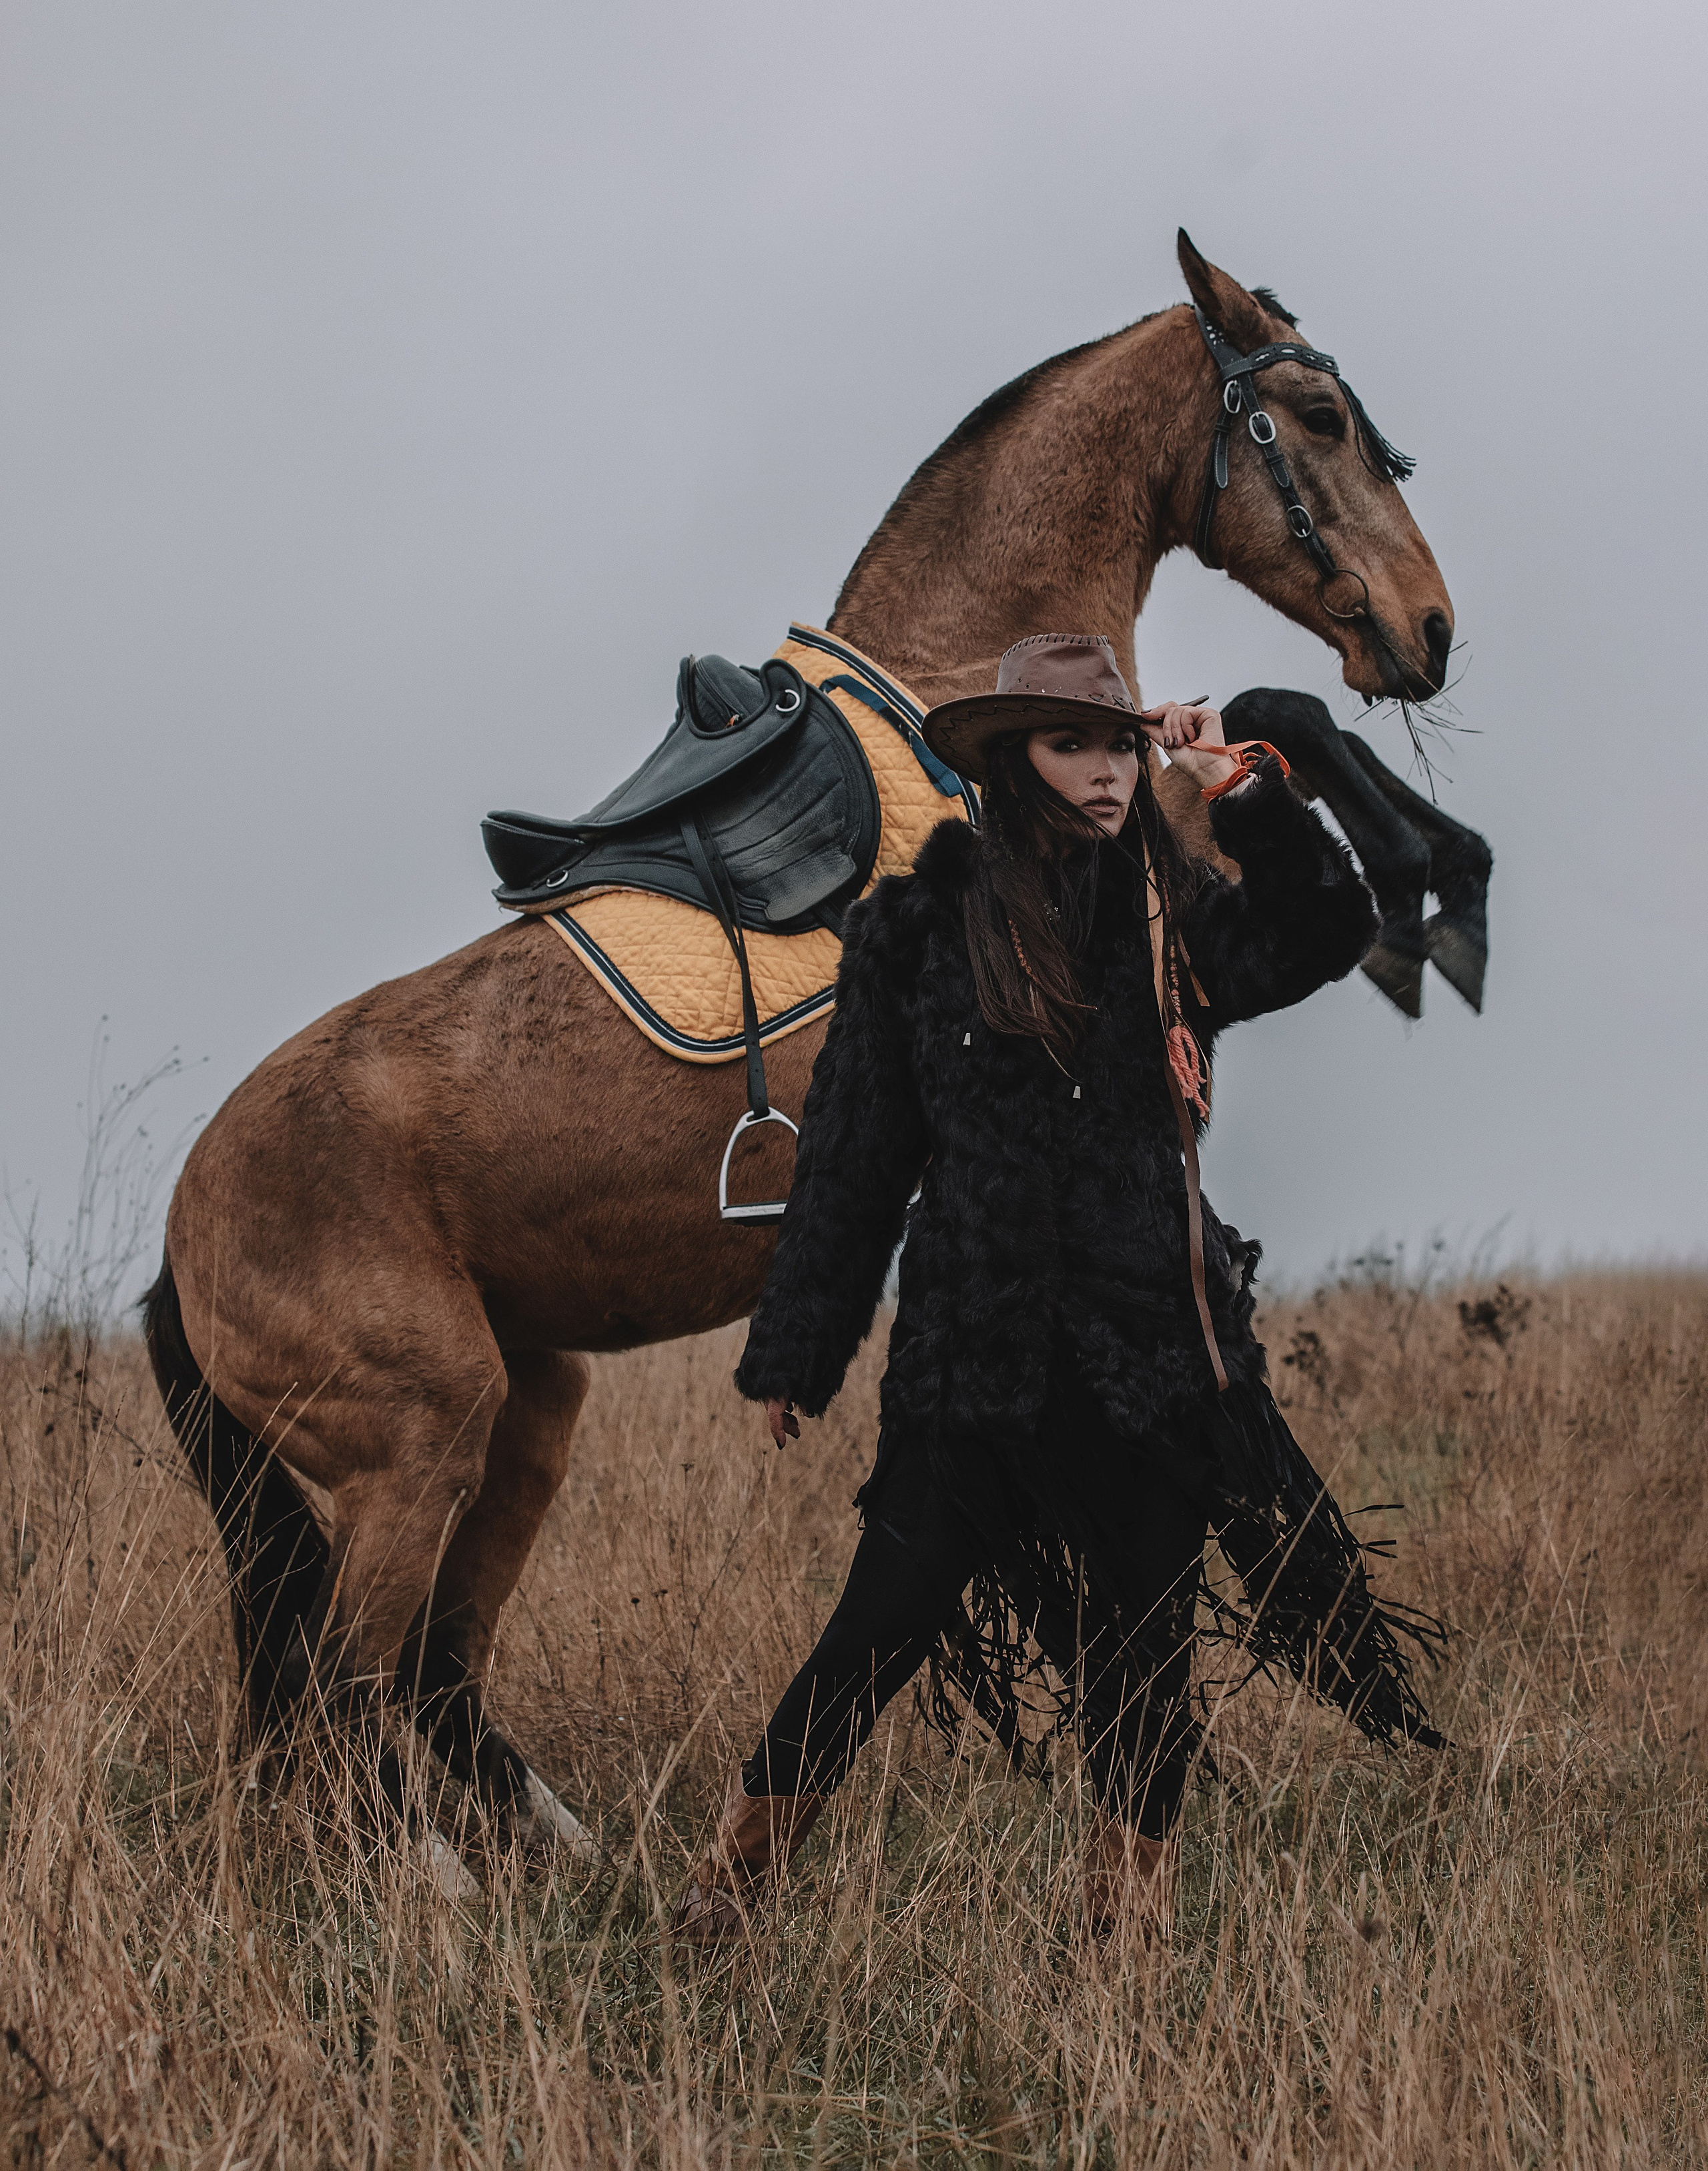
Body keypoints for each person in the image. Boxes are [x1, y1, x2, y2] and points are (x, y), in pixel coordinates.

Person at [673, 633, 1440, 1944]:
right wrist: (797, 1347)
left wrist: (1236, 781)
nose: (1102, 771)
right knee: (876, 1624)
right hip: (971, 1358)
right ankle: (731, 1884)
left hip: (1146, 1354)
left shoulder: (1169, 909)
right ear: (1006, 759)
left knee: (1144, 1657)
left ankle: (1121, 1930)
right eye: (1067, 743)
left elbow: (1328, 929)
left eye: (1115, 744)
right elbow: (855, 1154)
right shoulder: (912, 930)